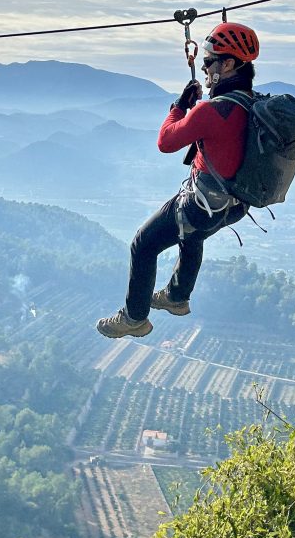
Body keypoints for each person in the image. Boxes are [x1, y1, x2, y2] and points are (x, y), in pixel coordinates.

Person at [96, 21, 259, 339]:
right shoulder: (252, 104)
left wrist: (180, 106)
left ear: (228, 65)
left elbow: (166, 141)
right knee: (192, 234)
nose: (205, 67)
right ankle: (177, 297)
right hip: (236, 205)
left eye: (209, 61)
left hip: (203, 204)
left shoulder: (211, 111)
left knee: (143, 244)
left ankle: (135, 317)